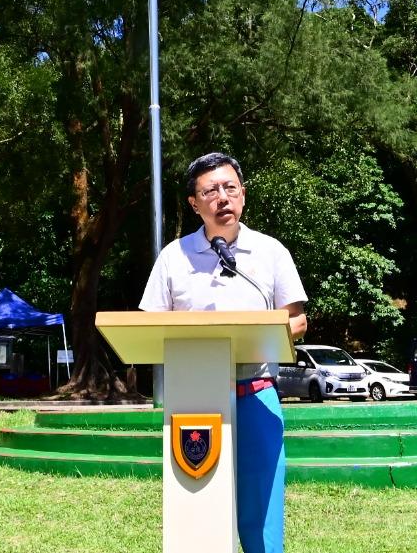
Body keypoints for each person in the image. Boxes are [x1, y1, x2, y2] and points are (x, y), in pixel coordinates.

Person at [140, 152, 308, 553]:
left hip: (256, 395)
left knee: (261, 513)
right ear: (194, 204)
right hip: (193, 404)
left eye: (229, 188)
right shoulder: (173, 257)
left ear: (243, 195)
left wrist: (259, 330)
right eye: (210, 190)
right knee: (196, 514)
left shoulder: (270, 252)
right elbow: (148, 324)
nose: (222, 197)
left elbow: (297, 320)